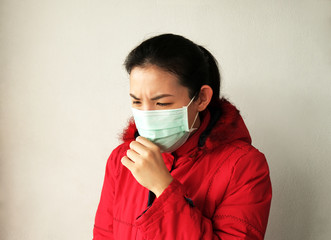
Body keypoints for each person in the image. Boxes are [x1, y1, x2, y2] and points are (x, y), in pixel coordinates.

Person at [93, 33, 272, 239]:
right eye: (136, 102)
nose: (147, 115)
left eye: (162, 103)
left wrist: (163, 187)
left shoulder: (245, 166)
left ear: (201, 98)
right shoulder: (122, 159)